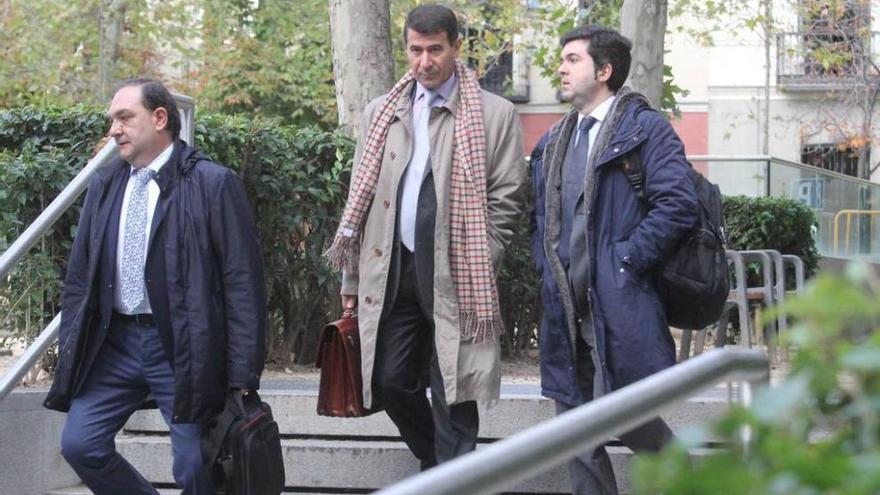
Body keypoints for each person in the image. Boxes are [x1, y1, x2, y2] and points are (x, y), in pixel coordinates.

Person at [324, 4, 526, 471]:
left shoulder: (495, 114)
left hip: (458, 274)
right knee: (391, 379)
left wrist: (483, 254)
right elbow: (362, 199)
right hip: (394, 270)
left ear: (456, 47)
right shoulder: (382, 111)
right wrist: (351, 284)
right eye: (415, 50)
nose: (424, 61)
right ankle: (441, 464)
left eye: (435, 49)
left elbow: (507, 197)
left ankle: (449, 477)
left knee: (454, 388)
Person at [44, 78, 267, 495]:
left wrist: (242, 370)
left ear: (160, 118)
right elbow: (80, 276)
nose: (114, 129)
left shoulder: (212, 183)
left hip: (182, 346)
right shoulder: (105, 184)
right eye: (112, 120)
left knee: (195, 466)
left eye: (125, 117)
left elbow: (242, 282)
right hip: (117, 343)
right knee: (80, 444)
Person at [530, 25, 698, 494]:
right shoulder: (554, 141)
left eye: (572, 59)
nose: (561, 68)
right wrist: (545, 268)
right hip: (565, 305)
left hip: (617, 301)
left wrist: (625, 262)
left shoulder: (645, 130)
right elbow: (540, 218)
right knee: (575, 432)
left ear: (604, 71)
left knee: (633, 419)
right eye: (561, 60)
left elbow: (678, 204)